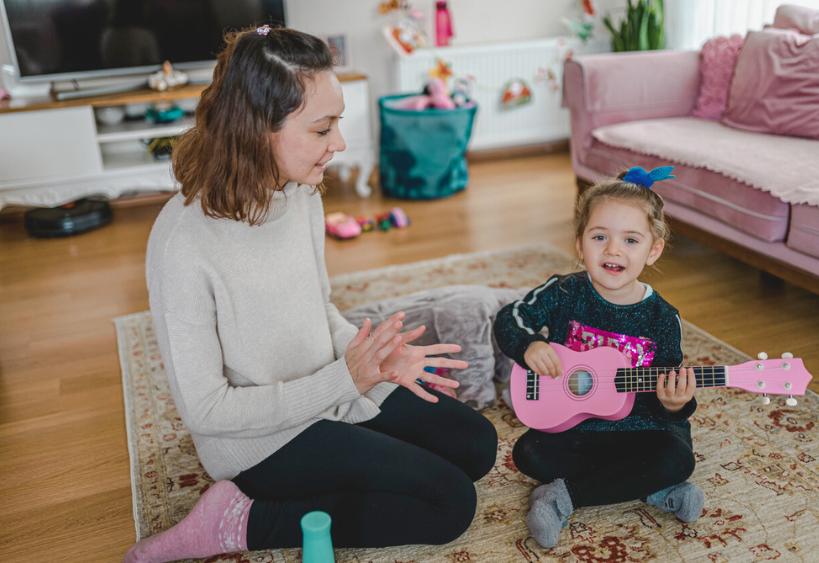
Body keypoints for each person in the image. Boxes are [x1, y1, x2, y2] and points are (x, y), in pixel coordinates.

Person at [126, 26, 497, 562]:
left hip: (330, 388)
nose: (340, 144)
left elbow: (315, 307)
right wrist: (346, 379)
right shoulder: (183, 242)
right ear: (256, 131)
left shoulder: (299, 193)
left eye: (337, 123)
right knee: (450, 503)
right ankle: (243, 519)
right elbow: (207, 411)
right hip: (258, 437)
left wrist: (379, 360)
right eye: (323, 129)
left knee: (475, 446)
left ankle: (345, 466)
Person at [493, 166, 703, 549]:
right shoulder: (564, 291)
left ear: (653, 250)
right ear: (579, 244)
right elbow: (511, 318)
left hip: (639, 431)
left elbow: (667, 395)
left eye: (631, 240)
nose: (613, 250)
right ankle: (649, 488)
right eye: (600, 236)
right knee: (528, 453)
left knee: (678, 457)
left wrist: (675, 405)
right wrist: (528, 346)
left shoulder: (662, 319)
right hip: (575, 431)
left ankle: (564, 497)